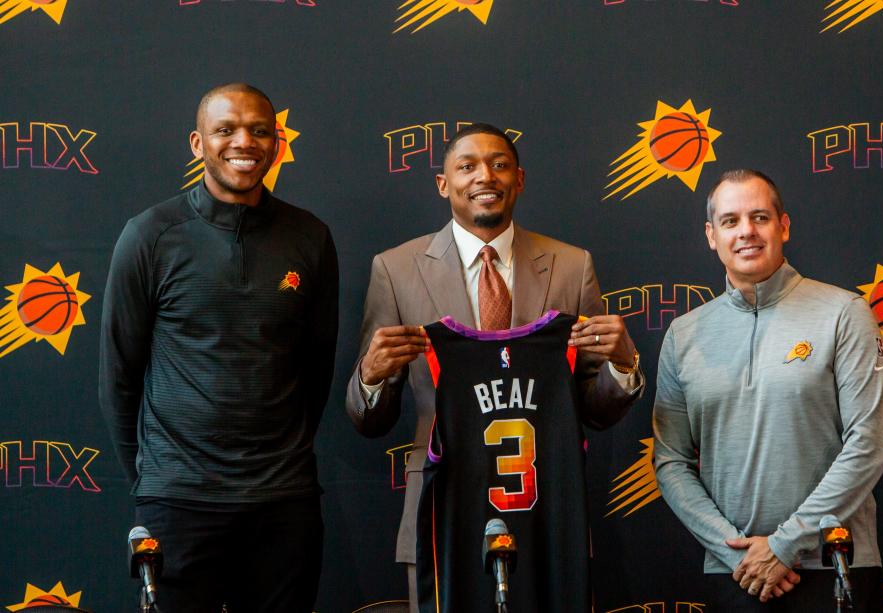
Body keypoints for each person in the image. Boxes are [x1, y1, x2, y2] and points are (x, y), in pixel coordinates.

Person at [346, 123, 643, 609]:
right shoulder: (396, 269)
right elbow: (367, 420)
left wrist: (623, 366)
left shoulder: (571, 265)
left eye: (500, 164)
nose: (485, 176)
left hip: (546, 507)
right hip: (443, 508)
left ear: (519, 179)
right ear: (444, 184)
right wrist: (372, 377)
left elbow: (594, 408)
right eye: (467, 166)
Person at [99, 83, 337, 613]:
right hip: (178, 503)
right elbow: (118, 375)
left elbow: (317, 368)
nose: (243, 142)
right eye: (225, 130)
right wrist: (152, 481)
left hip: (284, 501)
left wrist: (280, 457)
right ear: (197, 143)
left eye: (258, 130)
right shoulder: (150, 235)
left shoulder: (309, 237)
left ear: (277, 143)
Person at [652, 169, 883, 612]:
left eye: (759, 217)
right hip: (736, 576)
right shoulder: (683, 335)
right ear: (711, 235)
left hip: (835, 565)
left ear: (783, 226)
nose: (746, 231)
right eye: (730, 221)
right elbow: (670, 462)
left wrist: (784, 545)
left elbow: (869, 446)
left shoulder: (844, 313)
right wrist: (734, 553)